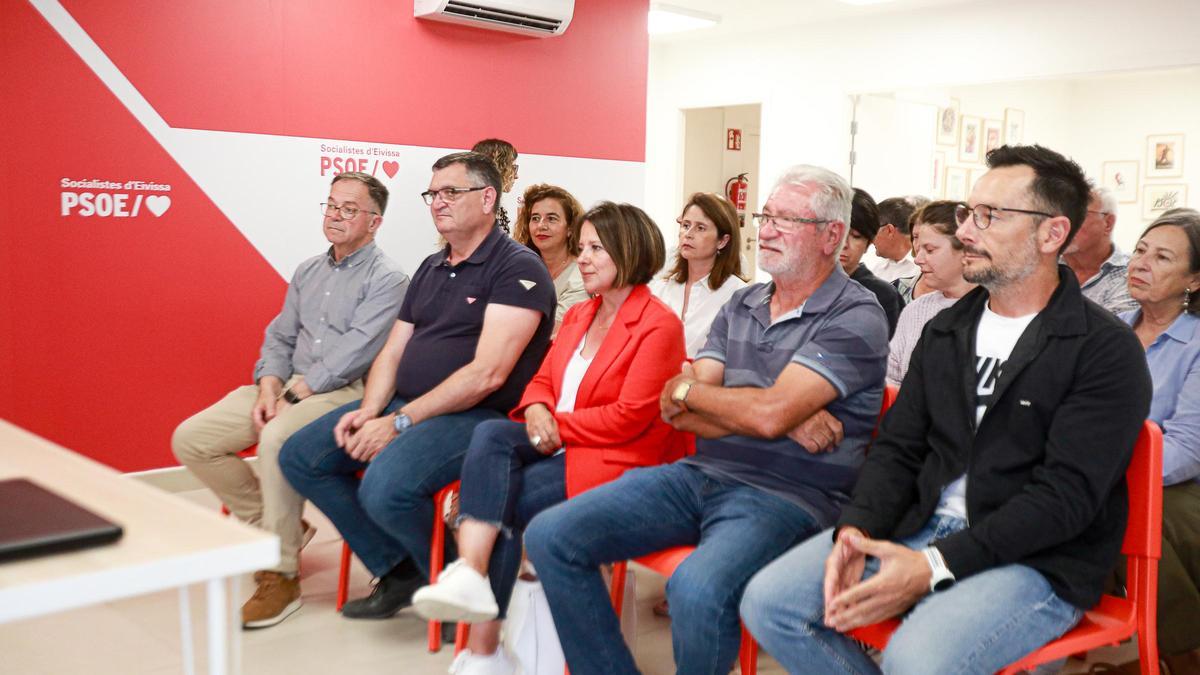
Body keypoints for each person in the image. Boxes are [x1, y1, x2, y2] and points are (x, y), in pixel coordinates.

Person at [740, 144, 1153, 675]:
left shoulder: (1102, 349)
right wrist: (857, 531)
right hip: (919, 524)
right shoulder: (947, 328)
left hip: (1036, 559)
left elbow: (1064, 500)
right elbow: (899, 447)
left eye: (990, 216)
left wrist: (933, 566)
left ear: (1052, 234)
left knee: (916, 660)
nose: (967, 231)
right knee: (769, 603)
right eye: (967, 212)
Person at [524, 165, 889, 675]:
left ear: (832, 235)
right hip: (702, 473)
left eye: (789, 219)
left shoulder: (856, 314)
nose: (768, 228)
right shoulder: (745, 301)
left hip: (789, 495)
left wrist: (746, 405)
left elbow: (751, 409)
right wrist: (767, 410)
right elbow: (676, 405)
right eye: (767, 215)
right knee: (550, 535)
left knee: (694, 587)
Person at [409, 202, 687, 675]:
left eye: (596, 248)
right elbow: (540, 382)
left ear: (631, 250)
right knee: (493, 434)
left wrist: (555, 426)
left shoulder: (659, 325)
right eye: (582, 248)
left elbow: (628, 419)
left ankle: (484, 649)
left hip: (615, 458)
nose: (583, 258)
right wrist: (538, 408)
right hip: (564, 442)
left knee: (505, 502)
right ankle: (473, 577)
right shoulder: (580, 313)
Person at [278, 152, 556, 620]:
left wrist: (400, 422)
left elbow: (487, 374)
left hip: (478, 418)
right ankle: (401, 569)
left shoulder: (518, 268)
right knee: (301, 456)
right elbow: (392, 350)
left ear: (488, 198)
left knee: (385, 489)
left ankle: (458, 584)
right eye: (433, 194)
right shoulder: (431, 266)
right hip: (408, 406)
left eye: (452, 192)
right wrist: (371, 411)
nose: (438, 203)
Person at [171, 172, 408, 629]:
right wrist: (268, 386)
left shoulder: (389, 279)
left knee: (277, 435)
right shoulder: (308, 270)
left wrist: (294, 395)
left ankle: (281, 574)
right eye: (332, 205)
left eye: (349, 209)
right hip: (287, 384)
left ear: (374, 221)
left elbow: (355, 351)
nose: (335, 216)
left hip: (346, 391)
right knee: (192, 438)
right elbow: (279, 335)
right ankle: (280, 530)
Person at [1115, 208, 1200, 675]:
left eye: (1162, 257)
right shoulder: (1110, 332)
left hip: (1181, 484)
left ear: (1194, 280)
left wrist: (1105, 474)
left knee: (1136, 516)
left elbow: (1186, 449)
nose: (1141, 263)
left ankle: (1179, 652)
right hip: (1112, 470)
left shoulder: (1197, 343)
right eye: (1141, 250)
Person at [886, 200, 976, 385]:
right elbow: (890, 378)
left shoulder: (995, 309)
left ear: (965, 250)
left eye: (930, 250)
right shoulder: (915, 310)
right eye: (918, 247)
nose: (918, 259)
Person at [649, 192, 747, 357]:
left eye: (700, 228)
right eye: (686, 225)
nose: (688, 234)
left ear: (722, 241)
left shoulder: (737, 295)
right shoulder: (660, 289)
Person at [512, 183, 589, 336]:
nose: (541, 225)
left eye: (551, 219)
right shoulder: (519, 268)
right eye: (535, 218)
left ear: (570, 228)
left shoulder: (580, 276)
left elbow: (553, 334)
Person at [1063, 186, 1137, 315]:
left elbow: (1111, 332)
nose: (1063, 223)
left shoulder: (1131, 273)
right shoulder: (1043, 266)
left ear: (1108, 223)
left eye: (1076, 214)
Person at [841, 188, 904, 337]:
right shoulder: (797, 287)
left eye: (856, 236)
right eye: (836, 233)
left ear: (868, 244)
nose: (844, 244)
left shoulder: (882, 296)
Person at [869, 196, 922, 283]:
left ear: (889, 230)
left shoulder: (924, 268)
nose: (870, 240)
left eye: (873, 230)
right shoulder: (877, 269)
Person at [472, 139, 519, 233]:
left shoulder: (487, 205)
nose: (516, 176)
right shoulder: (483, 209)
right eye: (513, 168)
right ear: (499, 168)